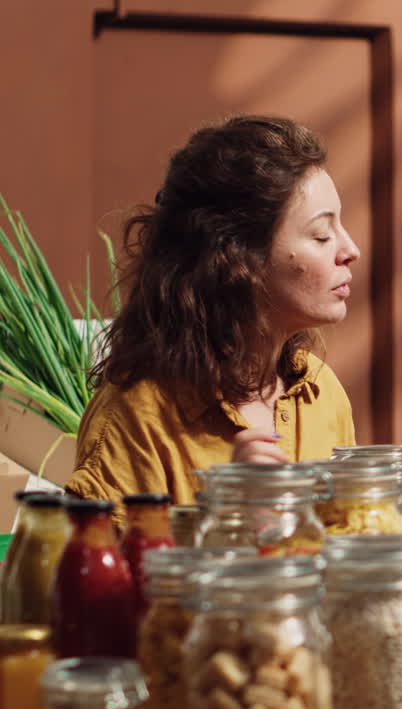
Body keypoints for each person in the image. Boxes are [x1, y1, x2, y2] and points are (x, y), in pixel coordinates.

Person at [67, 115, 360, 516]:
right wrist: (226, 519)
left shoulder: (321, 392)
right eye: (322, 235)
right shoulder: (138, 418)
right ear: (239, 259)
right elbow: (102, 576)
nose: (350, 249)